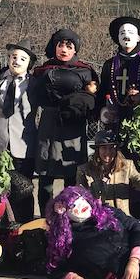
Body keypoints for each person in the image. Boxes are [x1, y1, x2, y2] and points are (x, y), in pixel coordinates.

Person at [96, 16, 140, 218]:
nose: (126, 36)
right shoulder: (109, 65)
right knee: (115, 172)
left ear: (139, 38)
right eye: (122, 33)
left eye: (130, 33)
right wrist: (102, 111)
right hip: (115, 129)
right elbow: (102, 94)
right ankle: (115, 218)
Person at [31, 29, 99, 216]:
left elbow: (94, 97)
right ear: (54, 47)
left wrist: (88, 94)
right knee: (46, 174)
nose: (64, 49)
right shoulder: (42, 70)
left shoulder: (85, 71)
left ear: (75, 50)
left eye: (69, 46)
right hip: (49, 123)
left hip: (73, 124)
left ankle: (72, 216)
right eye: (60, 45)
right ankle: (47, 217)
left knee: (72, 171)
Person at [0, 39, 38, 222]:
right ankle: (1, 224)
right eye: (14, 57)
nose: (16, 61)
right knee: (0, 186)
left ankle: (24, 226)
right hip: (0, 143)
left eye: (22, 59)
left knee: (23, 188)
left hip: (24, 144)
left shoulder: (34, 84)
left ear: (29, 64)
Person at [76, 130, 140, 216]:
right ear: (97, 150)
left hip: (122, 220)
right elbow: (79, 197)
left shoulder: (127, 166)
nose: (108, 152)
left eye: (111, 148)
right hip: (97, 219)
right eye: (104, 148)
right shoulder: (84, 170)